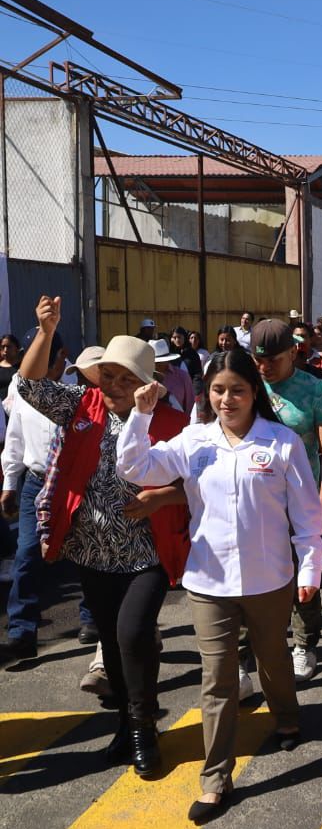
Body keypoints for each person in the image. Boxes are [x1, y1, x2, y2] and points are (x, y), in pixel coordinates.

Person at [116, 347, 321, 823]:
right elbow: (135, 468)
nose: (228, 399)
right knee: (218, 680)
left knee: (273, 661)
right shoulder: (193, 442)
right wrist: (140, 415)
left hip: (270, 580)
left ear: (255, 394)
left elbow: (308, 517)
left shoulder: (282, 443)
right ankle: (215, 780)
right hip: (209, 581)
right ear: (207, 394)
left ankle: (287, 718)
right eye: (219, 390)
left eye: (238, 390)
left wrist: (309, 572)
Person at [14, 296, 190, 777]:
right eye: (108, 375)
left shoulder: (173, 422)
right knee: (112, 643)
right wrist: (45, 332)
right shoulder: (80, 405)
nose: (114, 386)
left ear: (146, 385)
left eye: (127, 379)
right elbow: (29, 385)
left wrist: (160, 500)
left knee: (133, 634)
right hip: (91, 551)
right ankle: (127, 724)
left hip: (147, 552)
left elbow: (195, 488)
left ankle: (142, 730)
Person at [250, 319, 322, 681]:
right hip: (254, 501)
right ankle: (244, 654)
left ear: (292, 353)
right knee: (250, 574)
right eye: (258, 360)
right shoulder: (247, 387)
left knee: (304, 574)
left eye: (273, 359)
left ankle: (304, 644)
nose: (265, 367)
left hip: (300, 501)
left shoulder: (313, 390)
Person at [1, 329, 68, 663]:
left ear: (60, 357)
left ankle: (91, 621)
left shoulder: (76, 385)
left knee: (84, 555)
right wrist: (9, 483)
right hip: (35, 482)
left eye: (42, 356)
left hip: (73, 484)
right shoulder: (19, 386)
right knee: (27, 554)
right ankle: (22, 632)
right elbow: (14, 436)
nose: (33, 364)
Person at [151, 339, 195, 417]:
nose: (158, 365)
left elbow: (190, 405)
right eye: (155, 362)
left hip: (179, 424)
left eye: (160, 362)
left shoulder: (182, 376)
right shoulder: (142, 378)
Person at [0, 333, 23, 402]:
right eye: (3, 347)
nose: (5, 350)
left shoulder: (23, 366)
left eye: (8, 346)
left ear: (16, 348)